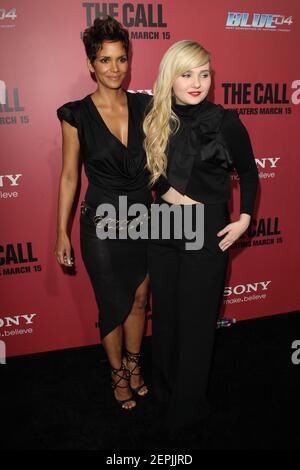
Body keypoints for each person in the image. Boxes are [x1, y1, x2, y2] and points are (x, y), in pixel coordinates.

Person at [143, 40, 259, 431]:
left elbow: (250, 172)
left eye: (204, 74)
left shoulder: (225, 120)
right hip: (163, 226)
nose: (197, 82)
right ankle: (164, 392)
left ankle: (186, 408)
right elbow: (149, 170)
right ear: (169, 77)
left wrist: (244, 218)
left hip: (207, 227)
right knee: (167, 319)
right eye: (187, 73)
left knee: (196, 322)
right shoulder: (155, 116)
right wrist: (166, 192)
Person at [54, 17, 152, 410]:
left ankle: (133, 363)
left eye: (121, 59)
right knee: (112, 301)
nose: (115, 68)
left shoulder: (146, 105)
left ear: (129, 62)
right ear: (91, 65)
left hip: (145, 218)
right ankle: (116, 373)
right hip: (101, 224)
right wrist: (61, 231)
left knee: (141, 296)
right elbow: (67, 177)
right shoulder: (74, 114)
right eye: (105, 60)